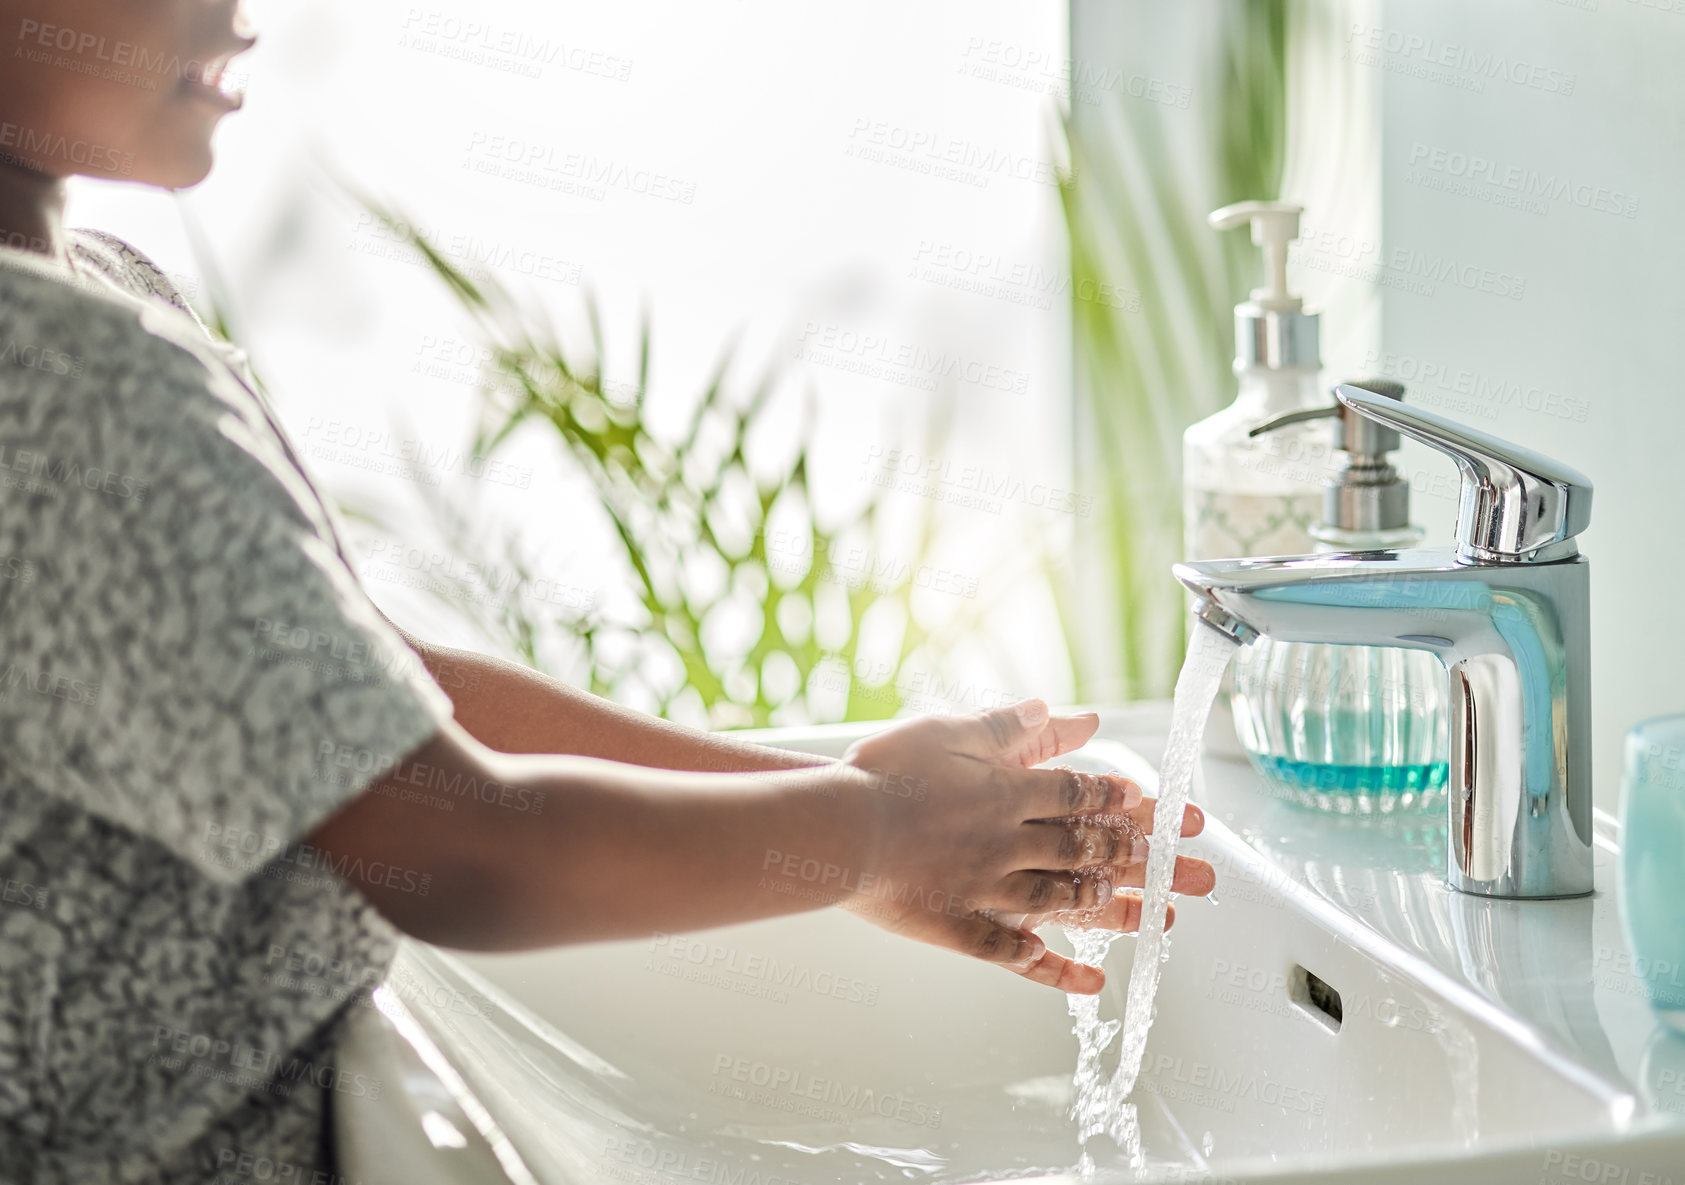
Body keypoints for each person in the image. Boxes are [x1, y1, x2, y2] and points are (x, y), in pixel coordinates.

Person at [0, 2, 1215, 1181]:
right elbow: (459, 850)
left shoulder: (103, 295)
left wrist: (845, 812)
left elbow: (372, 688)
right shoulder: (77, 385)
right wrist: (880, 835)